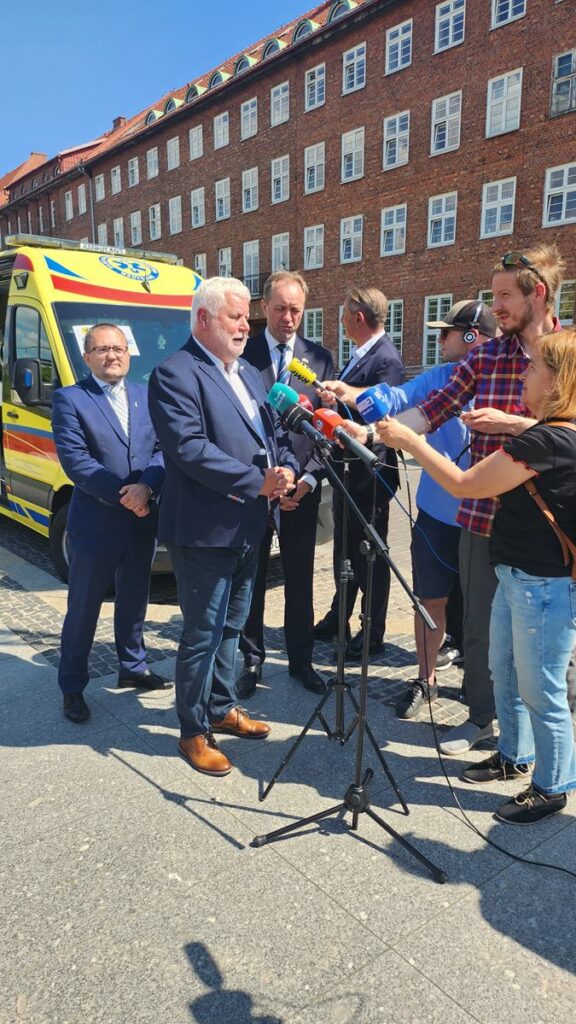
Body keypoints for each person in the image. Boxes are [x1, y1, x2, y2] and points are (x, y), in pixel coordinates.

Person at [374, 328, 576, 825]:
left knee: (541, 688)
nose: (524, 375)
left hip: (542, 586)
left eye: (534, 369)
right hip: (516, 575)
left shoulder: (547, 441)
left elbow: (465, 484)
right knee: (503, 670)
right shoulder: (548, 433)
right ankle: (515, 754)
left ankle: (552, 786)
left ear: (557, 381)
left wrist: (411, 441)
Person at [392, 245, 565, 754]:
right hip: (483, 517)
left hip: (548, 524)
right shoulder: (487, 355)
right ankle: (482, 719)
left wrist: (514, 424)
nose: (496, 309)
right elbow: (435, 408)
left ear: (538, 294)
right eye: (494, 296)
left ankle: (534, 743)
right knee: (481, 631)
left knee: (538, 642)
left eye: (505, 296)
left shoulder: (568, 354)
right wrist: (380, 431)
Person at [148, 277, 298, 778]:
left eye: (245, 317)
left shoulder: (249, 373)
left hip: (249, 525)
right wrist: (256, 481)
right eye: (235, 317)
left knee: (233, 626)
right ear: (203, 319)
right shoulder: (175, 373)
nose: (245, 326)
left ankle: (221, 706)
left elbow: (271, 432)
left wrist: (285, 468)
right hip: (204, 530)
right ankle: (192, 730)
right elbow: (188, 448)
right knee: (203, 634)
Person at [323, 300, 498, 717]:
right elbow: (397, 398)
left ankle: (482, 691)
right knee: (429, 601)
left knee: (483, 613)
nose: (439, 340)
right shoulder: (439, 378)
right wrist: (353, 401)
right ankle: (426, 679)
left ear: (472, 337)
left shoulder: (505, 383)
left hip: (487, 518)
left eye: (446, 333)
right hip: (436, 516)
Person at [52, 323, 172, 724]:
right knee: (83, 608)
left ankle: (133, 667)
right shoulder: (70, 399)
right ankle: (72, 685)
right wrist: (128, 496)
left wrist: (147, 487)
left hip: (141, 521)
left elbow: (161, 449)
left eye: (118, 349)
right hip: (96, 523)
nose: (112, 356)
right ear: (87, 356)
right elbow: (76, 461)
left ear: (128, 353)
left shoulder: (145, 395)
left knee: (135, 599)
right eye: (102, 349)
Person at [238, 271, 334, 697]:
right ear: (264, 307)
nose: (288, 318)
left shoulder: (320, 359)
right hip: (255, 488)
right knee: (252, 579)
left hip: (302, 489)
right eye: (280, 308)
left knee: (299, 579)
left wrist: (308, 479)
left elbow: (325, 431)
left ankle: (301, 660)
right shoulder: (243, 355)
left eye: (296, 309)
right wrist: (264, 483)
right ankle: (251, 659)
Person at [313, 287, 406, 661]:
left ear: (358, 318)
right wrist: (335, 402)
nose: (340, 321)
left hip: (370, 475)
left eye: (343, 314)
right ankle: (339, 617)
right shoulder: (361, 355)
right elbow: (354, 406)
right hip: (347, 471)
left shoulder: (387, 359)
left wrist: (345, 397)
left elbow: (384, 415)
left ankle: (373, 632)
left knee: (370, 555)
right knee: (344, 550)